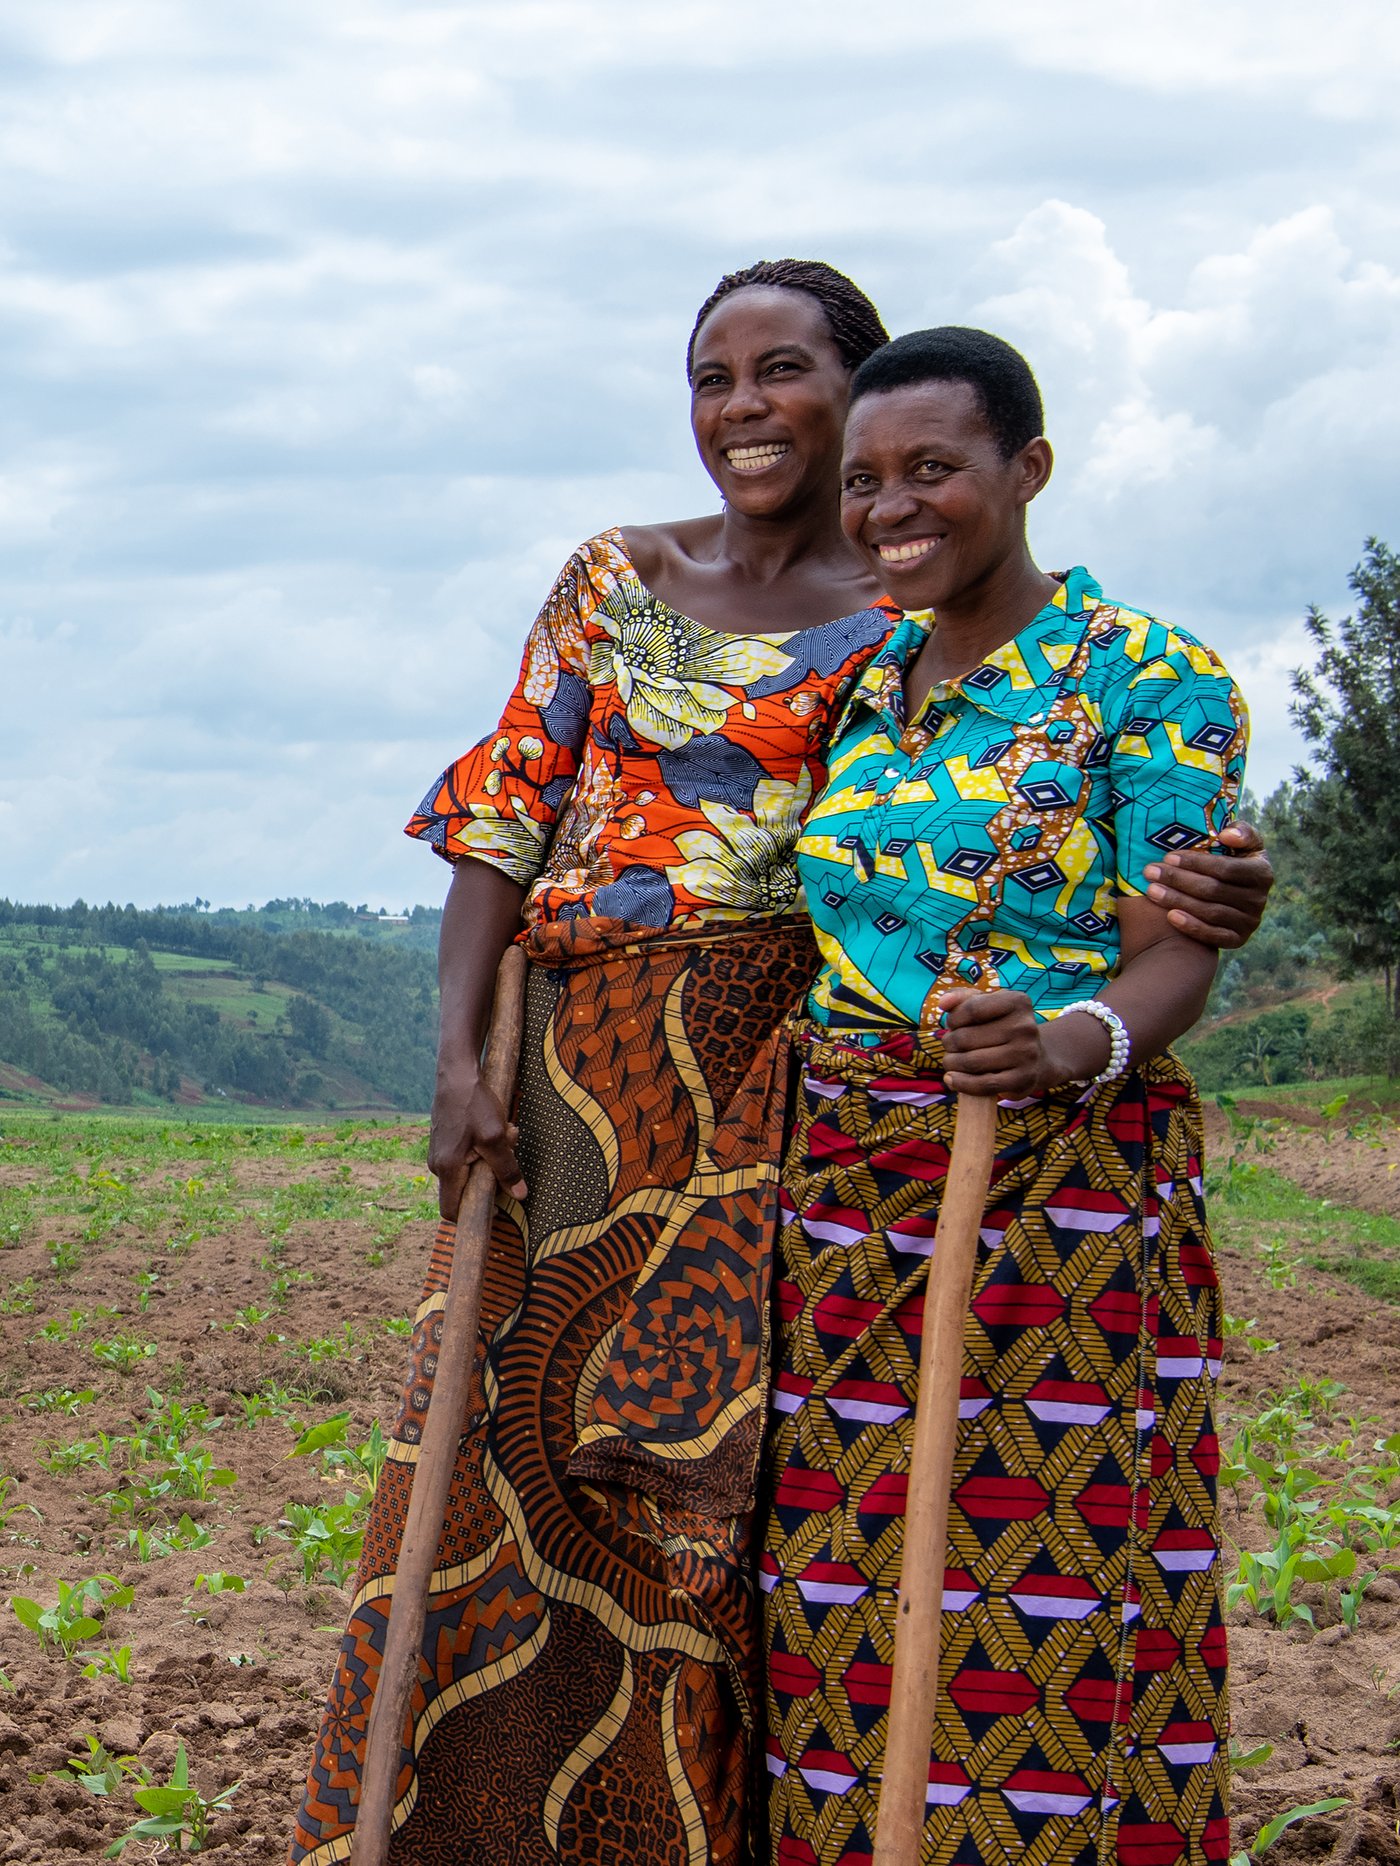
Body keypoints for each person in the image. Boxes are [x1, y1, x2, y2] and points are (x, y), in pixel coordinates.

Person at [290, 273, 1270, 1866]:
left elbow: (1158, 906)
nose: (748, 407)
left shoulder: (1010, 647)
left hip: (879, 1134)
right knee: (637, 1506)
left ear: (1006, 460)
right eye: (712, 375)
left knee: (846, 1531)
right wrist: (460, 1055)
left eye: (790, 373)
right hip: (677, 1120)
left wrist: (1155, 957)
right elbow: (505, 808)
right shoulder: (736, 627)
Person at [761, 326, 1246, 1866]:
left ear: (1025, 472)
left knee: (1044, 1587)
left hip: (1060, 1201)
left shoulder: (1146, 678)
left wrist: (1074, 1039)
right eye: (867, 482)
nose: (891, 507)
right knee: (839, 1595)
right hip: (848, 1200)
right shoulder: (856, 688)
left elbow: (1182, 952)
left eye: (932, 472)